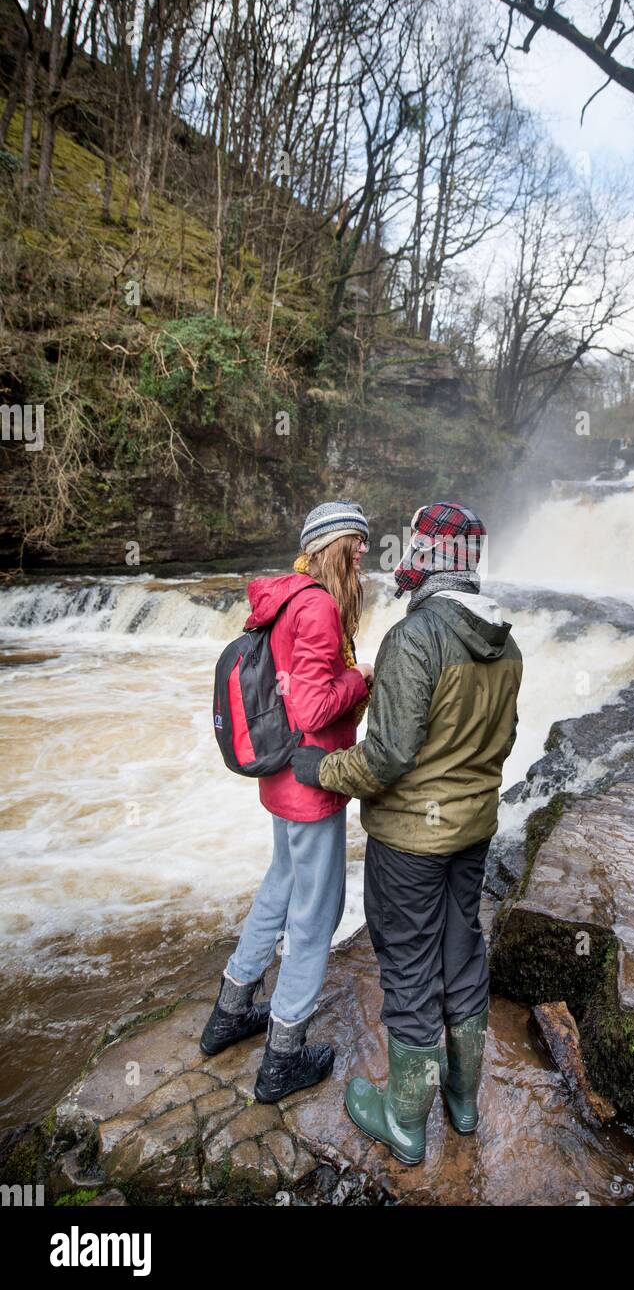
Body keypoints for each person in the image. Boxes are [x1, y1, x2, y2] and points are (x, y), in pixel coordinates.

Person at [288, 501, 522, 1165]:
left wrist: (320, 767)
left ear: (427, 564)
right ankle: (464, 1102)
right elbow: (500, 743)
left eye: (415, 550)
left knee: (410, 970)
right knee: (463, 956)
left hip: (410, 845)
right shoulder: (507, 643)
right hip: (472, 833)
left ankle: (404, 1121)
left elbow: (386, 758)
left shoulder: (413, 640)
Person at [200, 499, 374, 1105]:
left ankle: (230, 1012)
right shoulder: (321, 607)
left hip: (280, 774)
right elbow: (312, 707)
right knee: (316, 913)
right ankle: (283, 1057)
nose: (364, 553)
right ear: (331, 546)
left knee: (279, 885)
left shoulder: (286, 597)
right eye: (356, 542)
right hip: (310, 780)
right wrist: (365, 679)